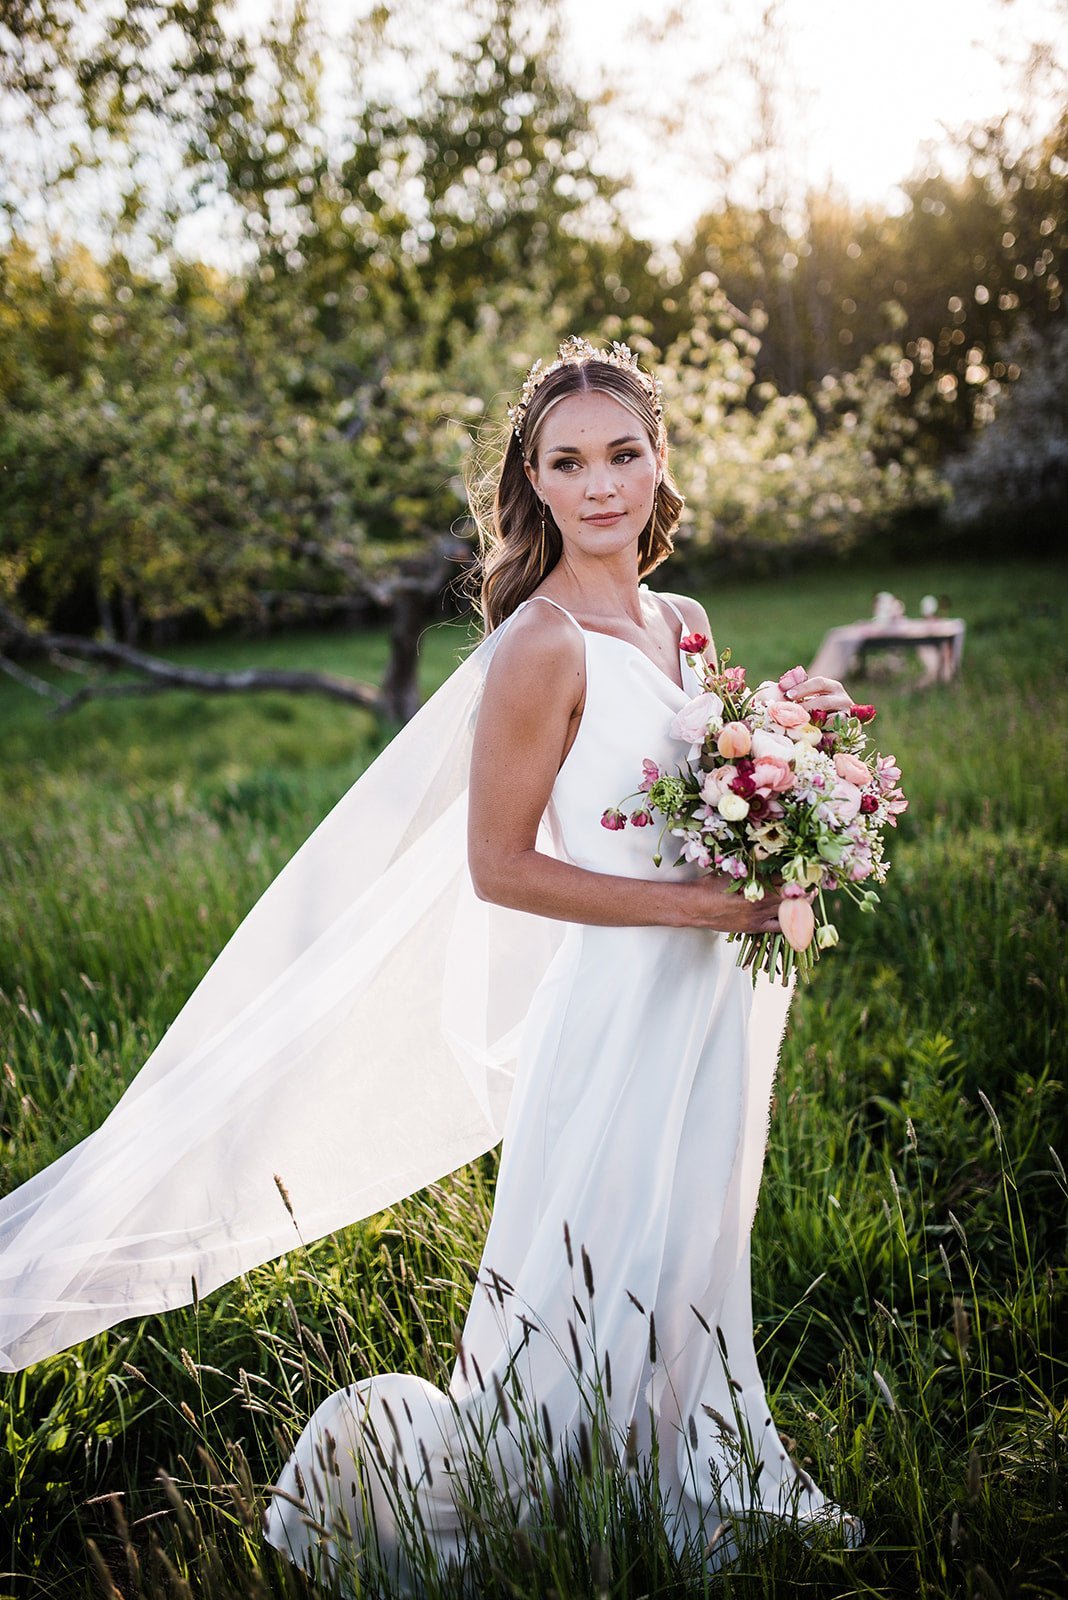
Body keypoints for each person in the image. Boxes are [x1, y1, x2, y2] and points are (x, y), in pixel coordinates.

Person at [263, 337, 862, 1586]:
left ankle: (682, 1474)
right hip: (613, 1001)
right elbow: (501, 867)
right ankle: (512, 1490)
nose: (602, 486)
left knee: (696, 1241)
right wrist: (705, 912)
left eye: (624, 454)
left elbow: (707, 799)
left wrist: (784, 838)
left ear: (659, 463)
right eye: (570, 462)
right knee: (590, 1267)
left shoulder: (684, 624)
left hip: (709, 999)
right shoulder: (540, 646)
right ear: (534, 483)